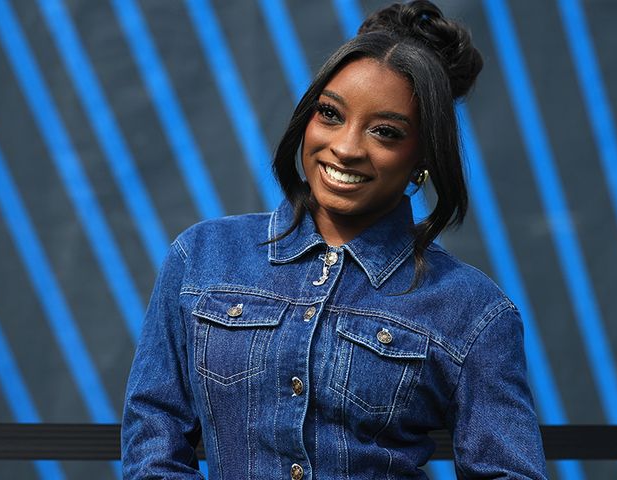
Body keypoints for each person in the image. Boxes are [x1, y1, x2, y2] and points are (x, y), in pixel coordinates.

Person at [121, 1, 548, 478]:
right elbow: (152, 440)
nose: (345, 148)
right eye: (330, 114)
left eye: (385, 132)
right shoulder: (202, 257)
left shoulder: (473, 311)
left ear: (424, 155)